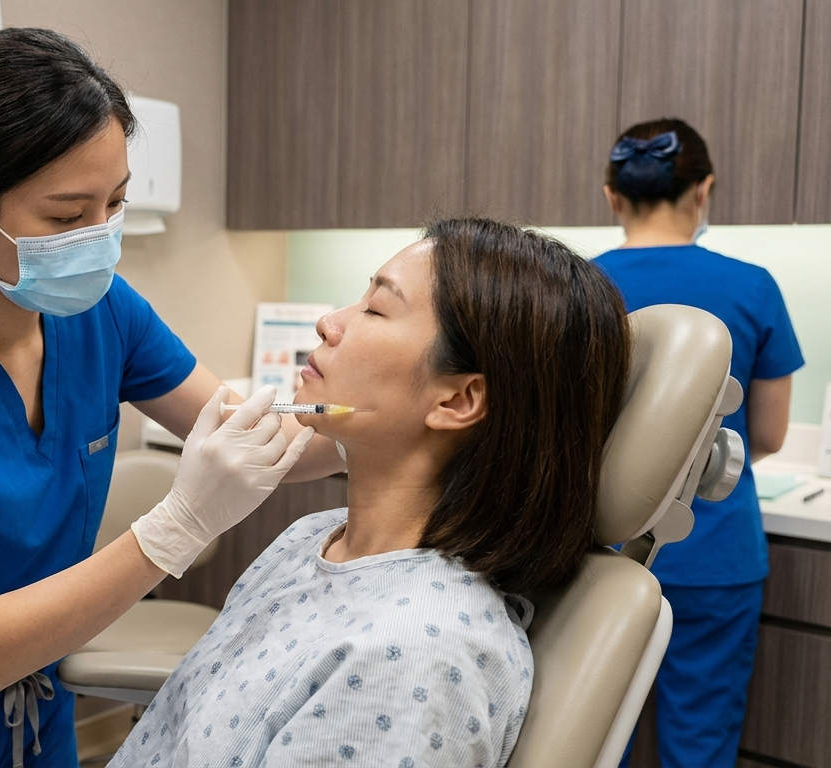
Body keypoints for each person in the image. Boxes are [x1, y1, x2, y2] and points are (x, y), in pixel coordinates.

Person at [0, 28, 343, 768]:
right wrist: (178, 526)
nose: (99, 237)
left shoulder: (105, 312)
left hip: (37, 708)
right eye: (65, 215)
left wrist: (399, 427)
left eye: (114, 202)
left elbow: (260, 435)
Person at [110, 218, 632, 768]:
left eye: (376, 310)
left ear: (456, 401)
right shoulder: (310, 539)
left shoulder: (415, 653)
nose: (327, 323)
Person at [594, 118, 804, 768]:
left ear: (611, 196)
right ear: (704, 190)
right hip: (715, 554)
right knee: (701, 747)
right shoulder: (752, 287)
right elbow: (765, 435)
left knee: (591, 735)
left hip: (595, 553)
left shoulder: (575, 286)